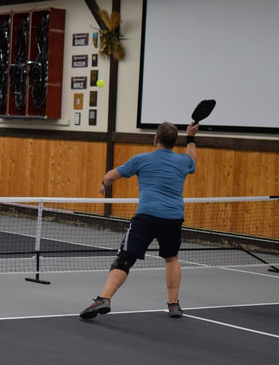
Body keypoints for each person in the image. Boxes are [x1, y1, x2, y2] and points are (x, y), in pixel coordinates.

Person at [80, 121, 199, 320]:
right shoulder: (183, 161)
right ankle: (174, 304)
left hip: (147, 217)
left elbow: (111, 175)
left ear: (156, 139)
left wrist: (105, 183)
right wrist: (191, 137)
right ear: (174, 142)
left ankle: (104, 298)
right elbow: (193, 158)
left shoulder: (141, 159)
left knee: (125, 258)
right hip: (173, 218)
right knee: (171, 258)